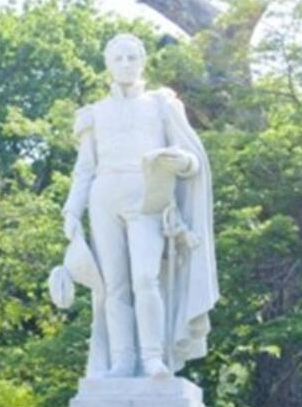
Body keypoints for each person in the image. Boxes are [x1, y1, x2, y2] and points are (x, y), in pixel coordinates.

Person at [60, 32, 217, 378]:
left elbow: (192, 162)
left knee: (146, 278)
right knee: (113, 285)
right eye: (119, 58)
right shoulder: (94, 113)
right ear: (108, 66)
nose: (126, 64)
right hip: (104, 195)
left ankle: (152, 358)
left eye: (132, 57)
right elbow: (84, 168)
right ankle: (123, 360)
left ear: (142, 62)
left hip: (147, 196)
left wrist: (177, 160)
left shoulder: (162, 106)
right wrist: (72, 210)